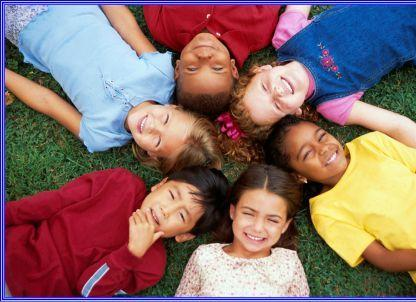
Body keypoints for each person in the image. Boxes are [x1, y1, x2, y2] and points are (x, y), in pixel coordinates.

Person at [5, 5, 222, 174]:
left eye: (157, 140)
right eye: (165, 120)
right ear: (175, 107)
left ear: (152, 155)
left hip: (26, 27)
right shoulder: (160, 76)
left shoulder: (101, 135)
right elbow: (127, 27)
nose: (152, 126)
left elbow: (47, 102)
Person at [228, 4, 416, 167]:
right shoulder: (333, 104)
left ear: (263, 69)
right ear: (295, 112)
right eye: (276, 105)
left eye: (265, 88)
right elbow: (398, 126)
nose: (277, 92)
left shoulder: (287, 37)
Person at [264, 115, 416, 295]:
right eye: (308, 153)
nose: (323, 149)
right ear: (298, 176)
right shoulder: (325, 212)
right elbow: (384, 258)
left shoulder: (371, 144)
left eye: (321, 136)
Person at [5, 166, 229, 297]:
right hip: (13, 249)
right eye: (172, 195)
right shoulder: (121, 183)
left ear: (185, 235)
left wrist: (131, 254)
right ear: (161, 184)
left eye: (181, 216)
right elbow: (54, 201)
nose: (165, 211)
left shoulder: (151, 266)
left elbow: (88, 291)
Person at [175, 164, 310, 297]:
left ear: (285, 225)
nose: (257, 227)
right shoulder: (204, 257)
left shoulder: (289, 263)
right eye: (249, 213)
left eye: (272, 220)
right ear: (233, 211)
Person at [143, 5, 281, 118]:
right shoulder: (258, 31)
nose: (204, 55)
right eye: (217, 68)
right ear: (233, 68)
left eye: (192, 68)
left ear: (177, 68)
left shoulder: (162, 28)